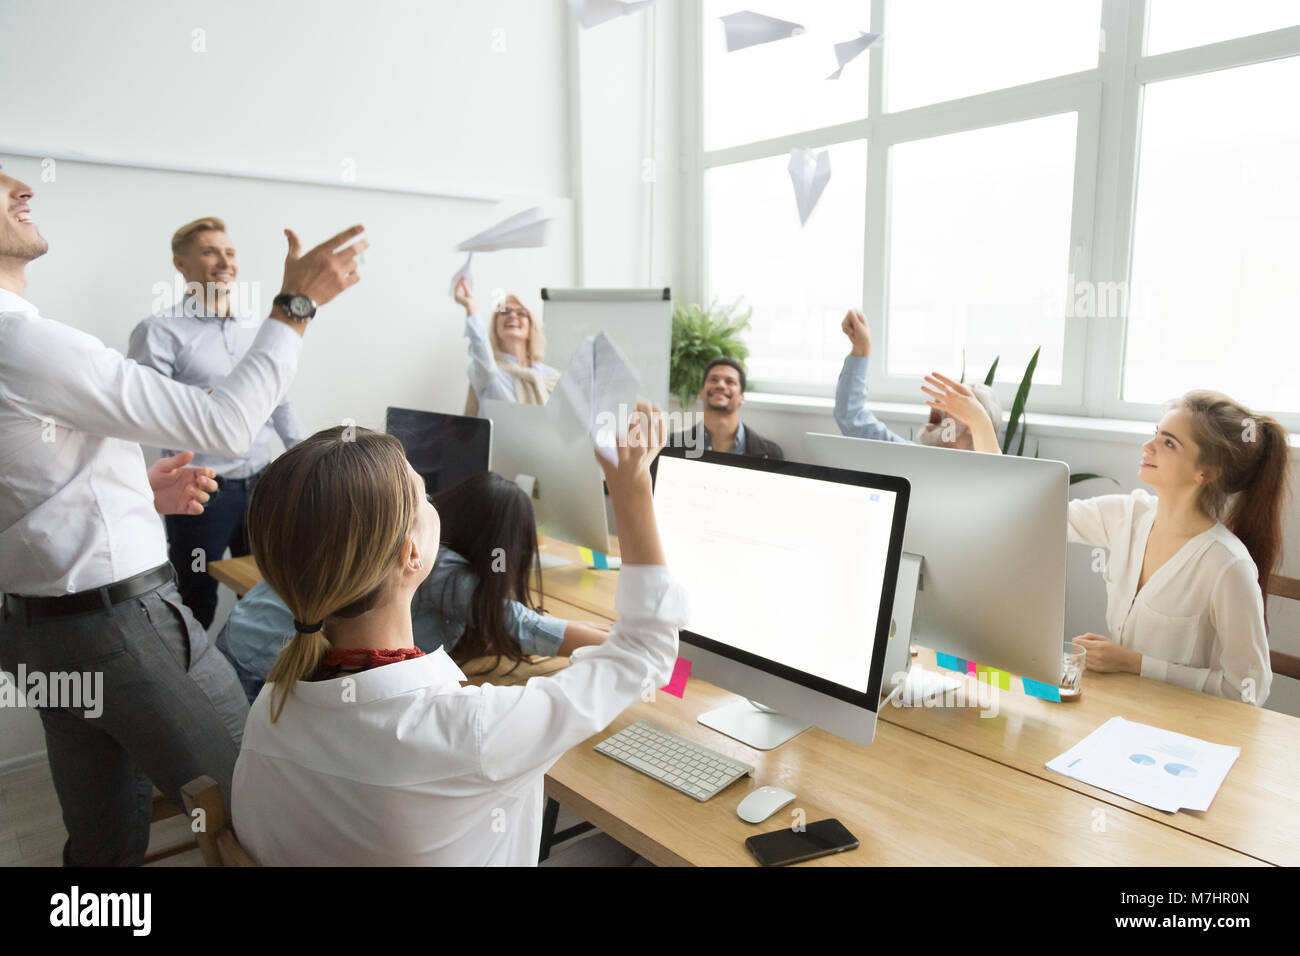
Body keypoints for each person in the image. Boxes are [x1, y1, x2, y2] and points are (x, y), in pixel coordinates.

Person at [0, 161, 366, 865]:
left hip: (42, 629)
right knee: (259, 799)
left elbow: (27, 484)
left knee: (104, 837)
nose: (24, 188)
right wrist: (296, 306)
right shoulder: (27, 343)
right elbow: (225, 423)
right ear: (180, 262)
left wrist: (136, 491)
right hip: (118, 627)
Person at [232, 405, 686, 866]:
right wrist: (632, 488)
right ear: (411, 554)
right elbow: (645, 652)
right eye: (425, 496)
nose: (435, 504)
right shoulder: (469, 732)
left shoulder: (269, 707)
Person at [216, 471, 611, 702]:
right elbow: (524, 627)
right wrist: (640, 649)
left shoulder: (385, 537)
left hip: (237, 640)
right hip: (263, 676)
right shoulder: (448, 574)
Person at [129, 216, 309, 629]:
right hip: (200, 491)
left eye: (229, 252)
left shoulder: (259, 329)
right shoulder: (159, 331)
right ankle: (192, 689)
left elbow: (277, 399)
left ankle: (259, 686)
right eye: (210, 251)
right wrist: (212, 404)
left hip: (264, 485)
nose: (224, 261)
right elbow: (146, 411)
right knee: (194, 601)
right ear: (181, 264)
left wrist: (307, 457)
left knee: (272, 593)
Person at [1067, 391, 1290, 706]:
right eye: (1155, 434)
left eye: (1169, 443)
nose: (1148, 447)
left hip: (1187, 731)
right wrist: (981, 425)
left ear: (1207, 472)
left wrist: (1135, 663)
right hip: (1123, 708)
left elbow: (1248, 690)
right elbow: (1040, 514)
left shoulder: (1227, 565)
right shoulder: (1126, 516)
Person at [835, 309, 1003, 453]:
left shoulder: (980, 477)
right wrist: (861, 350)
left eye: (958, 398)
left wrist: (978, 420)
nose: (941, 400)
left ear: (973, 427)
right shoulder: (911, 457)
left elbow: (994, 470)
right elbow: (852, 417)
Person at [452, 276, 559, 416]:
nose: (513, 316)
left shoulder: (552, 378)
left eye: (521, 313)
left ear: (531, 327)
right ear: (495, 327)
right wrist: (471, 308)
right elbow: (480, 346)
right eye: (504, 312)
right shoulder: (487, 372)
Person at [669, 356, 784, 459]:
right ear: (701, 393)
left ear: (741, 398)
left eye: (730, 381)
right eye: (713, 379)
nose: (720, 385)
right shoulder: (672, 445)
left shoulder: (771, 454)